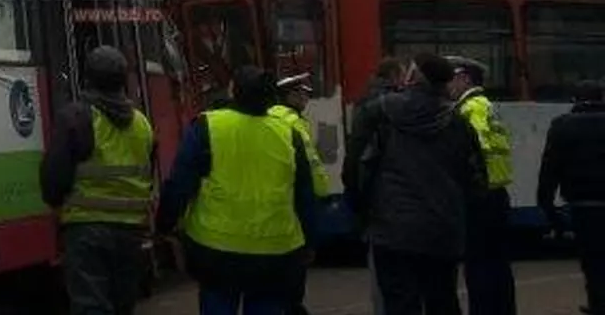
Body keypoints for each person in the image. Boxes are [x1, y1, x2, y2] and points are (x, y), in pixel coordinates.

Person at [156, 65, 317, 315]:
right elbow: (305, 196)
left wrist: (164, 224)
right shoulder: (289, 135)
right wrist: (310, 243)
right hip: (275, 252)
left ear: (234, 91)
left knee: (217, 304)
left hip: (216, 250)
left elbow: (180, 183)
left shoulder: (208, 126)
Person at [342, 53, 487, 315]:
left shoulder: (379, 112)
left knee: (399, 302)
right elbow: (475, 178)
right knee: (441, 298)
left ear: (413, 77)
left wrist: (363, 213)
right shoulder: (458, 122)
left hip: (392, 227)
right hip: (443, 228)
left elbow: (355, 167)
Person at [40, 45, 155, 315]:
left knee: (91, 306)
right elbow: (148, 172)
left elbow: (53, 177)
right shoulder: (142, 123)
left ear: (87, 78)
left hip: (86, 230)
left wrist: (57, 205)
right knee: (122, 305)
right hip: (130, 232)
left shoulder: (76, 117)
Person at [446, 55, 518, 315]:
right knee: (498, 265)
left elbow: (475, 151)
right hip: (496, 192)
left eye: (451, 79)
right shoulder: (486, 104)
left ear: (465, 79)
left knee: (479, 267)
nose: (448, 86)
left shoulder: (469, 109)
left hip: (480, 196)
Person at [537, 79, 605, 315]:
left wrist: (547, 207)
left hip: (583, 205)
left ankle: (598, 303)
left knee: (592, 260)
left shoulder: (562, 126)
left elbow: (549, 169)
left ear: (574, 100)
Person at [269, 73, 330, 315]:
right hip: (294, 204)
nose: (306, 97)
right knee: (294, 265)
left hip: (279, 200)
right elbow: (307, 168)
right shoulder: (292, 123)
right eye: (302, 93)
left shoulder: (277, 117)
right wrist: (320, 195)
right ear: (290, 96)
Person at [359, 58, 407, 315]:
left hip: (379, 204)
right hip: (400, 204)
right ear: (395, 77)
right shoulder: (398, 108)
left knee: (382, 277)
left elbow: (358, 161)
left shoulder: (367, 104)